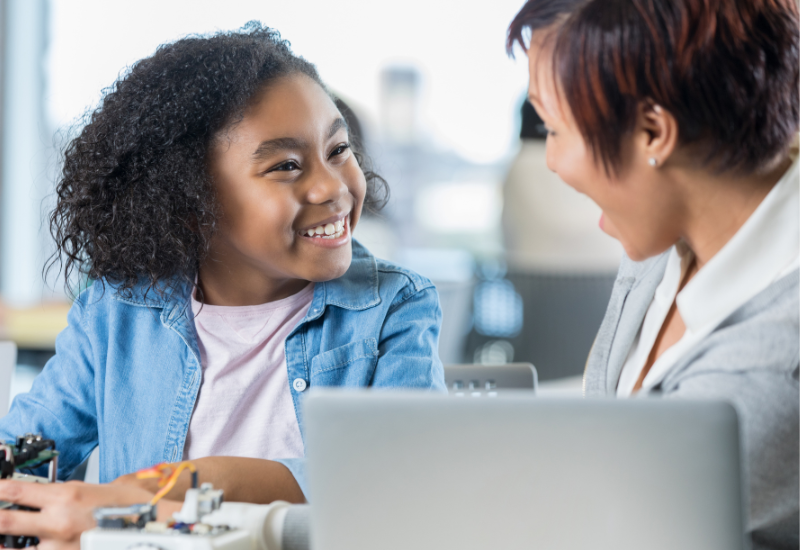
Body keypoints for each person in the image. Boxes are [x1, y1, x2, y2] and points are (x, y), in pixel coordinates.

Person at [0, 22, 445, 544]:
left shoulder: (392, 307)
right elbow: (31, 451)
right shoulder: (117, 310)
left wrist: (146, 495)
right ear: (190, 205)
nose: (332, 185)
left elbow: (399, 477)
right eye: (286, 165)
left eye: (339, 149)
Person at [507, 0, 798, 548]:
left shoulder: (774, 371)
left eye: (554, 127)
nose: (550, 160)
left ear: (651, 132)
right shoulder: (664, 243)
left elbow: (604, 523)